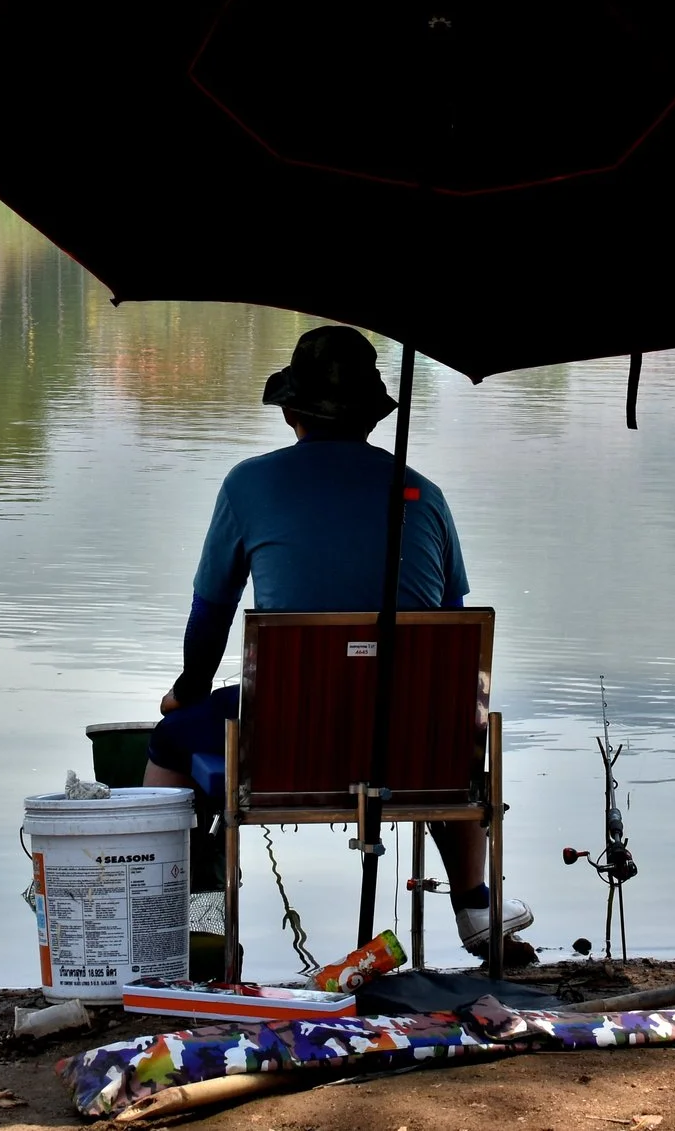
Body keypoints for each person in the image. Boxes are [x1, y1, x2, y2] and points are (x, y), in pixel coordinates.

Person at [144, 324, 533, 958]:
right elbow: (452, 630)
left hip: (286, 739)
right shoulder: (424, 495)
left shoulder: (249, 485)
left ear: (291, 411)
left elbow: (211, 611)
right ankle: (475, 908)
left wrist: (186, 692)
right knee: (447, 736)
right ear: (373, 420)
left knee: (170, 739)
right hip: (411, 750)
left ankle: (186, 921)